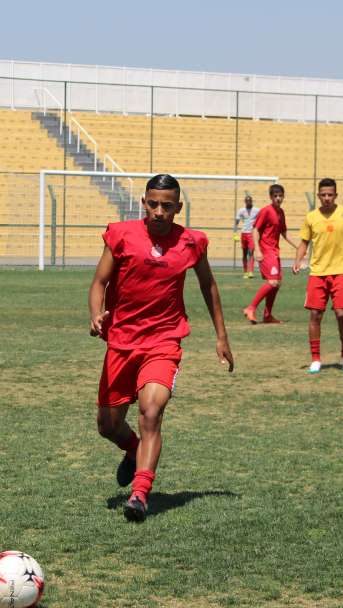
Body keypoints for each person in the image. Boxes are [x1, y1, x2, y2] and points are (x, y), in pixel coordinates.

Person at [89, 174, 234, 522]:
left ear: (178, 208)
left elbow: (208, 286)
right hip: (121, 342)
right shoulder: (122, 235)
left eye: (167, 206)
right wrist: (96, 314)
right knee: (108, 425)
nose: (159, 212)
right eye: (153, 204)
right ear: (143, 202)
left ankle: (140, 494)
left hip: (163, 341)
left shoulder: (191, 243)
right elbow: (99, 281)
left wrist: (221, 336)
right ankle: (133, 448)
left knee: (151, 412)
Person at [292, 178, 343, 374]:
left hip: (340, 271)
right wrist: (298, 260)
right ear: (318, 196)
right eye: (323, 195)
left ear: (336, 195)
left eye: (330, 194)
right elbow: (304, 242)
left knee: (341, 314)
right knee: (315, 315)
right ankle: (316, 359)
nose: (326, 198)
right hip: (317, 272)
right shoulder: (311, 217)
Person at [243, 184, 297, 324]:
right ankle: (251, 308)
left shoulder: (281, 213)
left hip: (275, 251)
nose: (278, 198)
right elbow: (255, 230)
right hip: (266, 251)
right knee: (272, 282)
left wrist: (298, 246)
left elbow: (284, 233)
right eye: (275, 196)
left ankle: (267, 315)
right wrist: (257, 250)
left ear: (283, 196)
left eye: (280, 196)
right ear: (271, 197)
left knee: (277, 283)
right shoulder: (266, 211)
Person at [234, 194, 259, 279]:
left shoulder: (256, 210)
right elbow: (236, 222)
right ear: (245, 202)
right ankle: (245, 272)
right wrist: (235, 233)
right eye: (247, 201)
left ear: (252, 201)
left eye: (250, 201)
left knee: (251, 252)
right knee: (244, 254)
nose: (248, 202)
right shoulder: (241, 210)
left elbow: (261, 219)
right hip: (243, 233)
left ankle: (251, 271)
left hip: (251, 234)